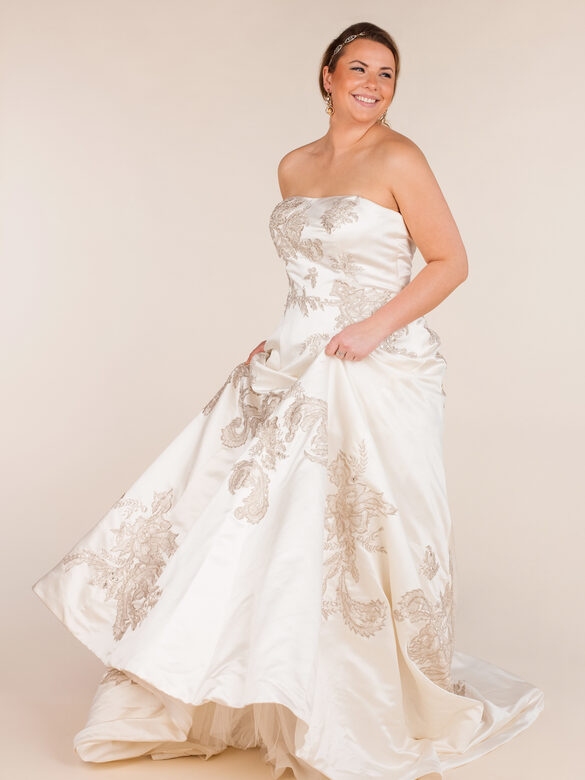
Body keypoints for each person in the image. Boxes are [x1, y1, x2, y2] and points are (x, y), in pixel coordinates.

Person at [32, 21, 544, 780]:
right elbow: (307, 275)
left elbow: (448, 261)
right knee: (254, 524)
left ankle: (348, 702)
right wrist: (275, 340)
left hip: (375, 364)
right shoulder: (293, 166)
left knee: (352, 532)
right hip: (295, 357)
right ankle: (255, 680)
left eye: (387, 75)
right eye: (359, 69)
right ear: (327, 75)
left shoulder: (400, 156)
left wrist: (371, 328)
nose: (372, 84)